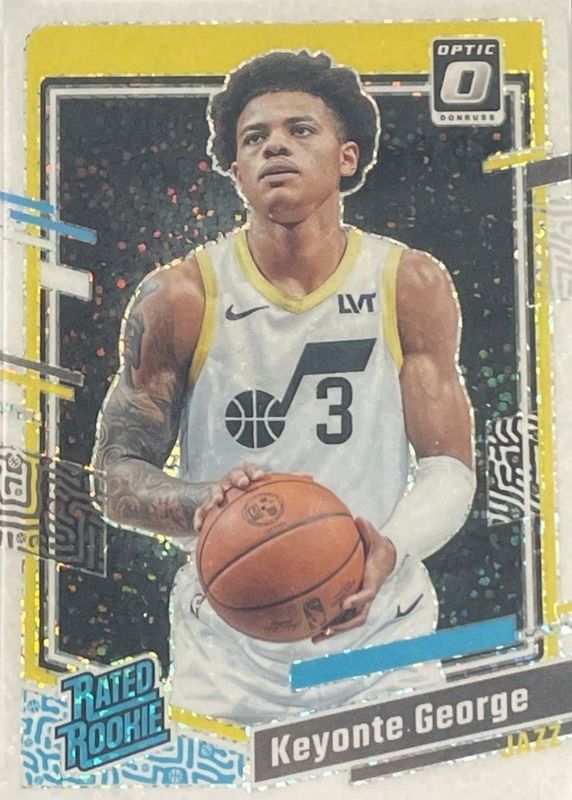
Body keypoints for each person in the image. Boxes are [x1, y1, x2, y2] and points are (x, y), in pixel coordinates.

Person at [92, 50, 475, 725]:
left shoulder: (409, 282)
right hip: (228, 653)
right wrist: (203, 504)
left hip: (383, 637)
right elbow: (114, 475)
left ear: (347, 158)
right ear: (236, 170)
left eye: (300, 130)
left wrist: (391, 546)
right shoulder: (178, 296)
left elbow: (448, 465)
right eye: (254, 138)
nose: (274, 145)